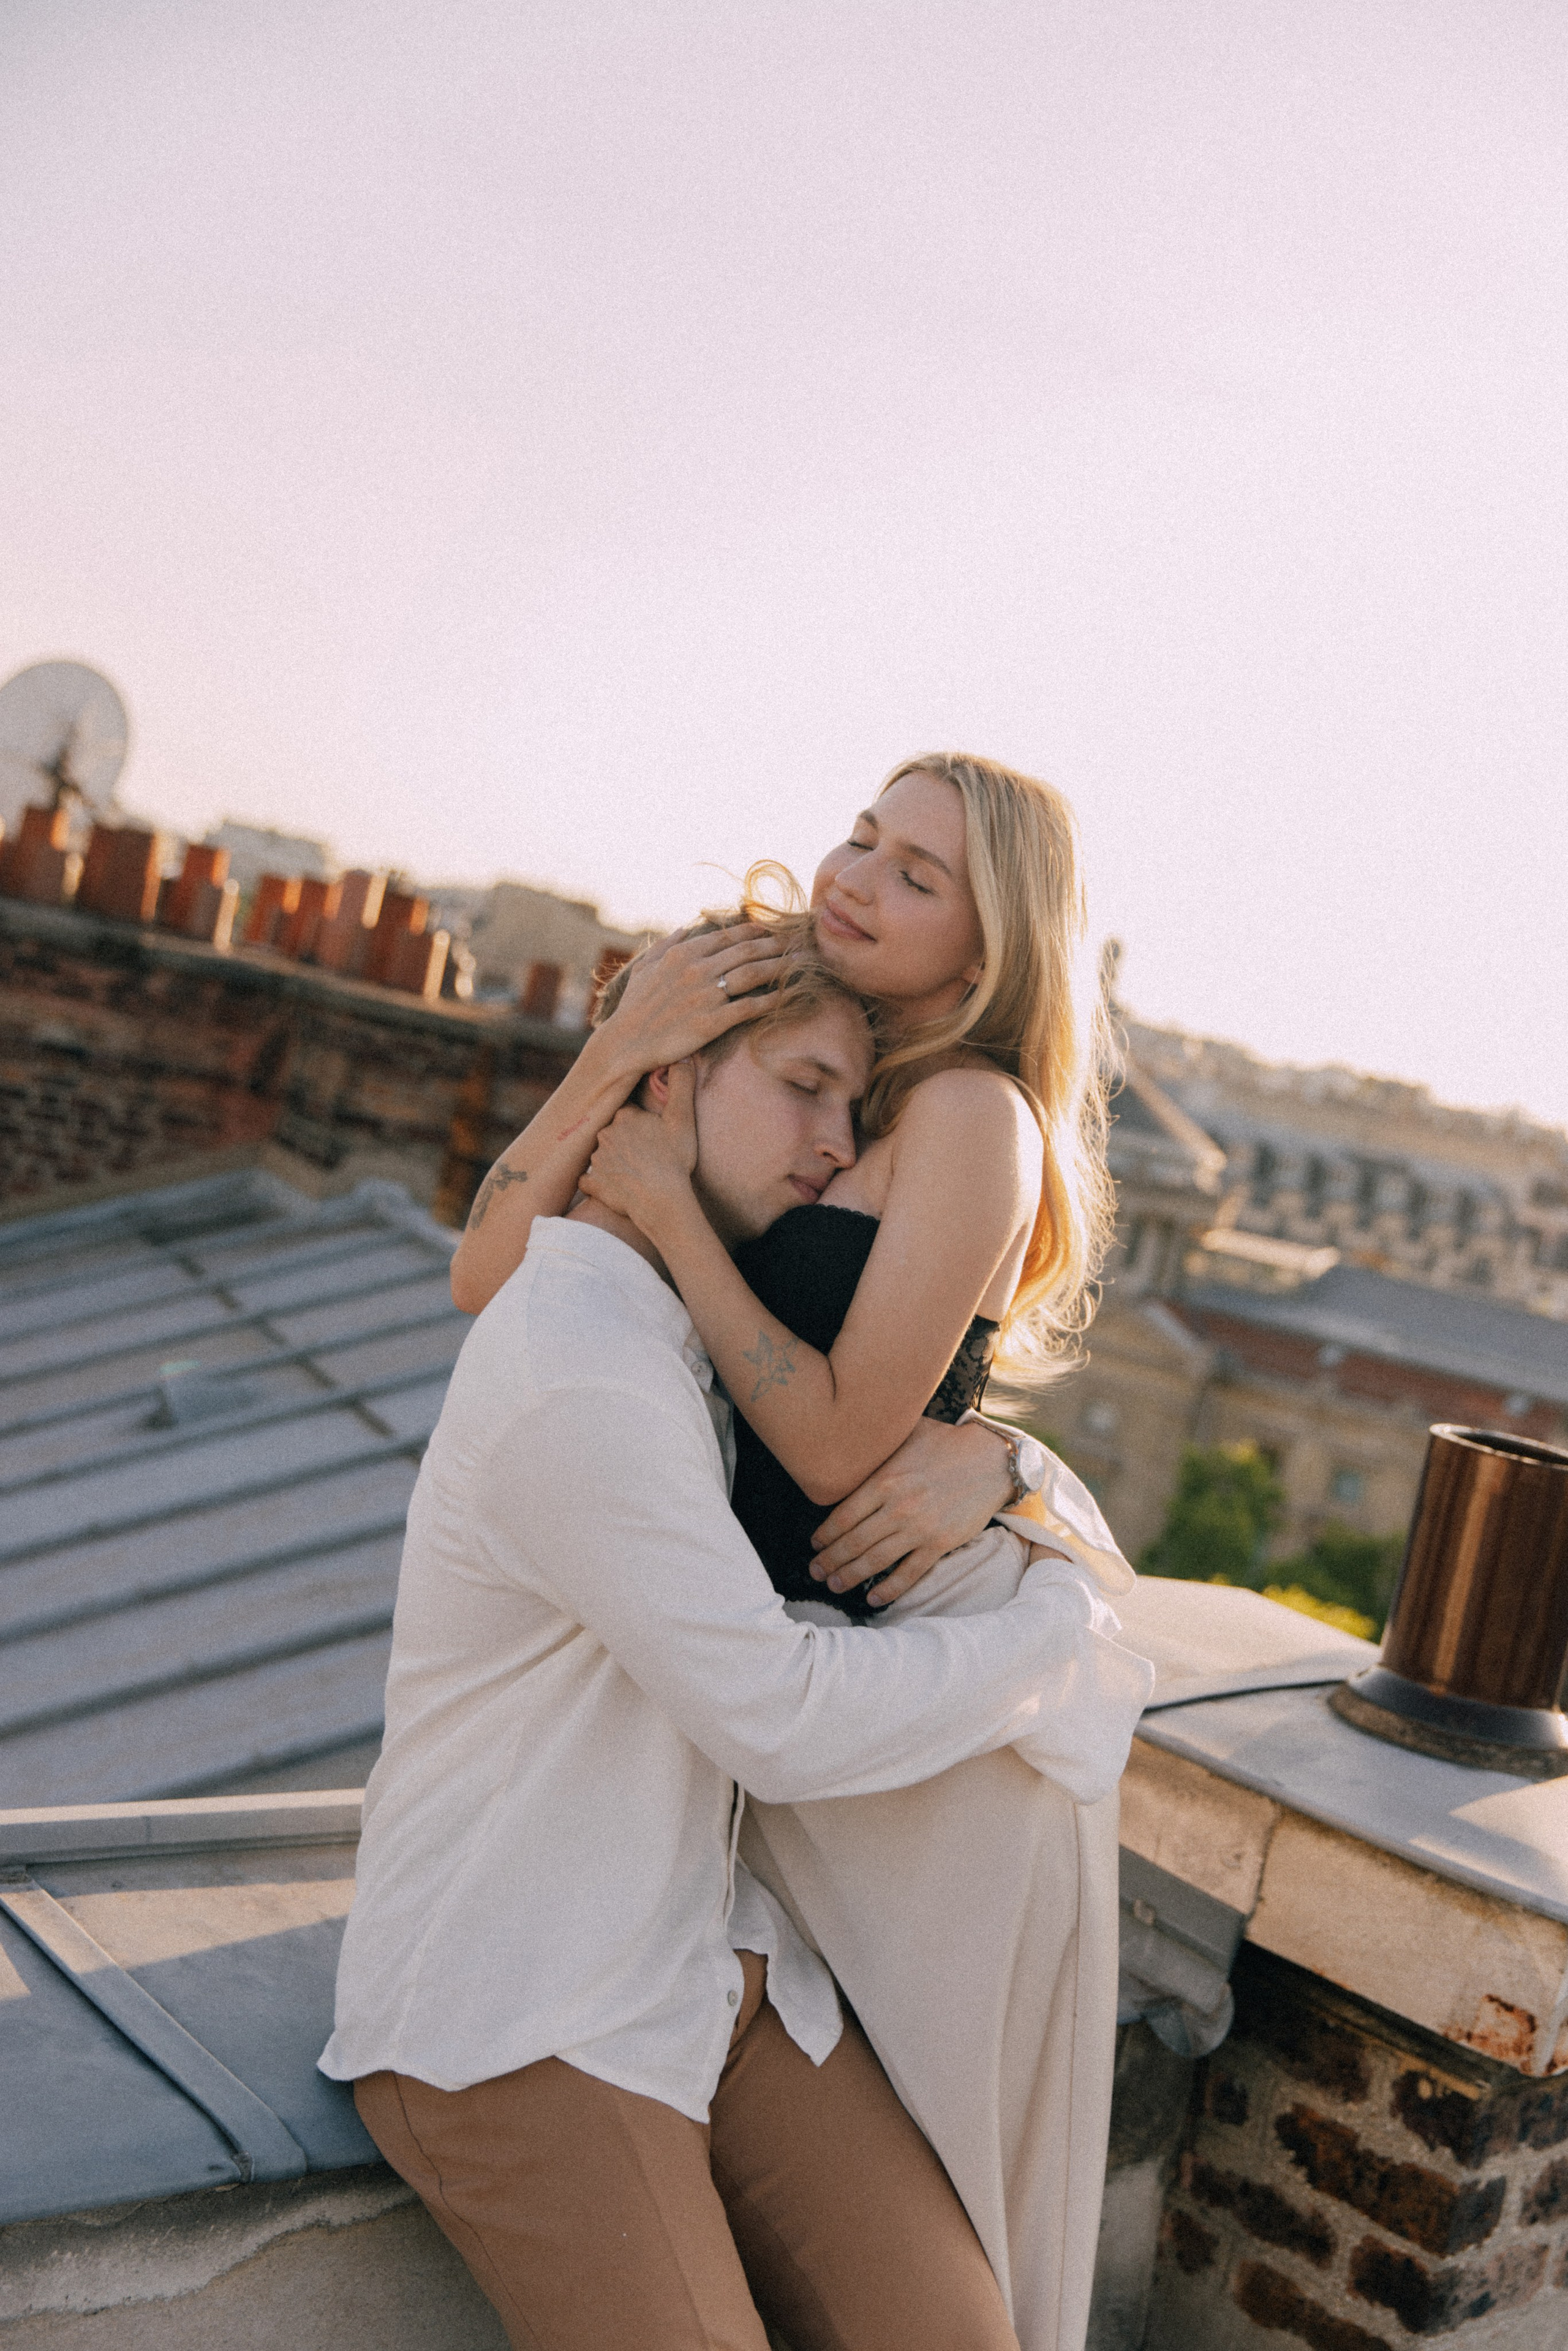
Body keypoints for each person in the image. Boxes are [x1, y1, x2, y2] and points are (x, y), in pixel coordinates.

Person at [322, 944, 1147, 2351]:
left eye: (856, 1105)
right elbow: (778, 1713)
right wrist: (1056, 1639)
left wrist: (1006, 1462)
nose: (837, 1144)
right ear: (663, 1086)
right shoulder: (582, 1363)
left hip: (712, 1959)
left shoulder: (696, 1330)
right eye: (802, 1088)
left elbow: (858, 1425)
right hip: (521, 2003)